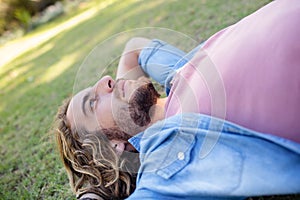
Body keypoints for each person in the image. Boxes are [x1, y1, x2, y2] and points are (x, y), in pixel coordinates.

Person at [55, 1, 300, 199]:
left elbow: (134, 49)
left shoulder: (182, 75)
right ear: (113, 147)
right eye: (92, 102)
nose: (106, 80)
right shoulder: (170, 154)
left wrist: (124, 101)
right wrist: (95, 191)